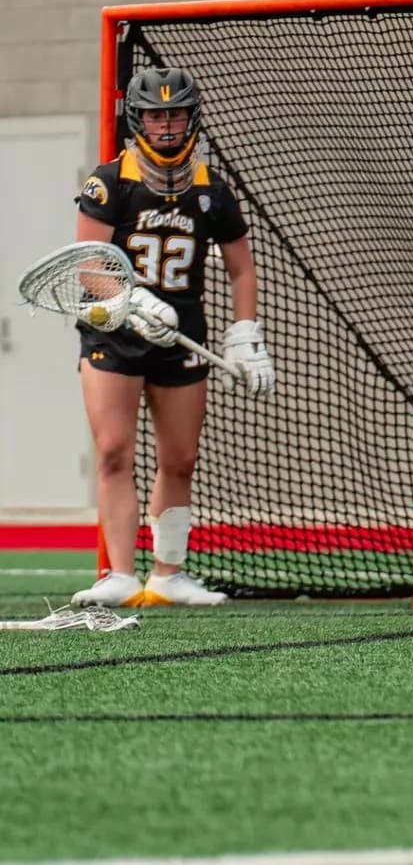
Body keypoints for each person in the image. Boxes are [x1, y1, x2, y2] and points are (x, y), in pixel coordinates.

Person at [69, 67, 276, 609]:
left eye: (175, 113)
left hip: (181, 336)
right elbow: (88, 264)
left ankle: (168, 573)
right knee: (113, 450)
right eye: (156, 115)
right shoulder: (110, 182)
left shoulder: (210, 188)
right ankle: (119, 572)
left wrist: (245, 333)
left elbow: (242, 270)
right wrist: (133, 300)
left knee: (180, 458)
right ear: (138, 120)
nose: (165, 124)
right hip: (115, 333)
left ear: (191, 117)